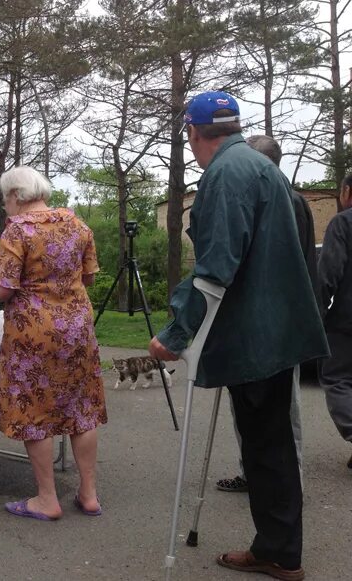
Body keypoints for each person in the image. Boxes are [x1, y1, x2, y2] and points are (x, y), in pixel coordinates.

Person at [149, 92, 327, 581]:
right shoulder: (259, 166)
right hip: (272, 326)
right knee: (270, 446)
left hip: (257, 333)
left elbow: (215, 268)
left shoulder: (226, 174)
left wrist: (176, 333)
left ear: (193, 133)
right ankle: (278, 548)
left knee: (266, 448)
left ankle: (279, 553)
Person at [0, 165, 106, 521]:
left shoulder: (18, 231)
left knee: (35, 409)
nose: (5, 206)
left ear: (15, 195)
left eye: (4, 199)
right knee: (81, 409)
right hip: (77, 328)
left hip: (33, 333)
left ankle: (47, 499)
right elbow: (87, 276)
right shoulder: (78, 225)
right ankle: (88, 494)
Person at [215, 134, 316, 493]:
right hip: (260, 319)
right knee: (250, 407)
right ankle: (253, 471)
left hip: (278, 320)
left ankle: (293, 479)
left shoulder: (287, 200)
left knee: (285, 408)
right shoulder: (274, 196)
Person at [317, 172, 352, 470]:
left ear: (348, 192)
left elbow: (328, 273)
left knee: (338, 380)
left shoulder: (343, 223)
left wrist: (316, 313)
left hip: (346, 321)